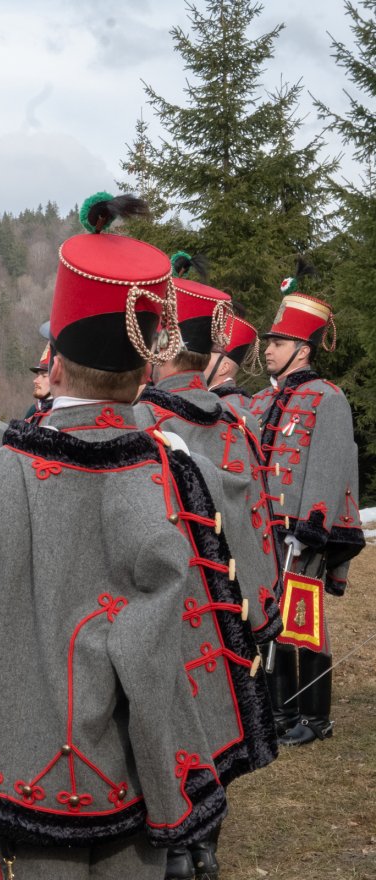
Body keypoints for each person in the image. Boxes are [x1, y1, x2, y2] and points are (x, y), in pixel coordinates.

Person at [0, 193, 273, 880]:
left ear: (52, 366)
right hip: (149, 778)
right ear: (146, 370)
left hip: (8, 773)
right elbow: (251, 618)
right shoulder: (196, 479)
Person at [134, 254, 282, 880]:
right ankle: (206, 845)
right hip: (234, 611)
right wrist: (261, 610)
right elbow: (261, 520)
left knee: (167, 729)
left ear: (163, 349)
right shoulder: (240, 420)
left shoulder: (141, 422)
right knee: (222, 719)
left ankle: (176, 846)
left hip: (168, 613)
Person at [256, 273, 364, 748]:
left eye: (278, 342)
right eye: (268, 342)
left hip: (303, 529)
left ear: (303, 347)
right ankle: (280, 713)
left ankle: (316, 717)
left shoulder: (328, 398)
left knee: (304, 618)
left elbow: (330, 463)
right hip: (265, 527)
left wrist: (313, 522)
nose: (268, 349)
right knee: (271, 617)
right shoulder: (262, 399)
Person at [204, 310, 262, 433]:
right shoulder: (223, 400)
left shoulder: (233, 406)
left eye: (207, 356)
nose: (201, 361)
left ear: (224, 368)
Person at [24, 343, 53, 420]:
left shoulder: (63, 413)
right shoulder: (33, 410)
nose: (35, 381)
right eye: (37, 375)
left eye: (44, 376)